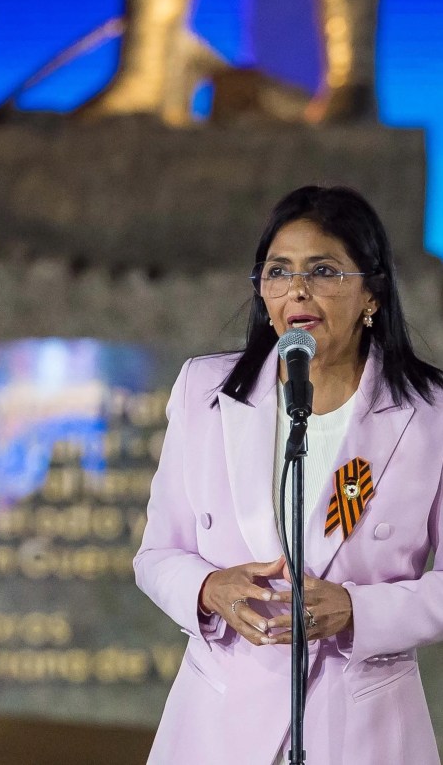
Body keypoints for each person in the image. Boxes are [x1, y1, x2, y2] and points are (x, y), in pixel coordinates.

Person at [134, 185, 443, 764]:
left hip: (362, 727)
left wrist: (358, 610)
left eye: (324, 270)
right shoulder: (205, 390)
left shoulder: (430, 414)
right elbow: (155, 555)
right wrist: (208, 589)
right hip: (218, 726)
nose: (297, 290)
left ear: (372, 292)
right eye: (279, 271)